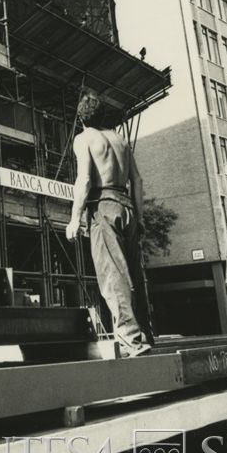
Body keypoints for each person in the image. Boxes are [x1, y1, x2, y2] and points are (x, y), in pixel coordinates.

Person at [65, 90, 154, 355]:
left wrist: (74, 218)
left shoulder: (84, 139)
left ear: (80, 119)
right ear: (103, 116)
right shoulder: (120, 140)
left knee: (113, 275)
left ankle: (130, 340)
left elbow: (84, 180)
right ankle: (145, 335)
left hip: (103, 205)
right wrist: (139, 217)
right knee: (135, 276)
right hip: (126, 204)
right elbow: (137, 181)